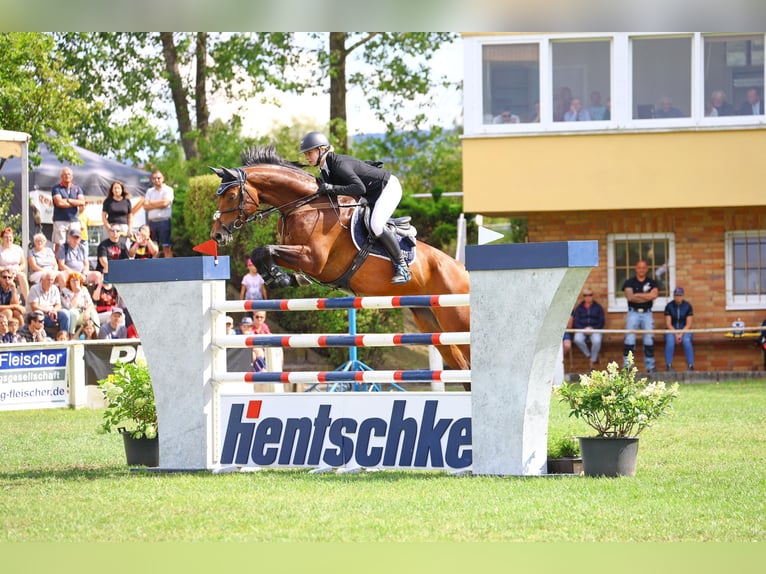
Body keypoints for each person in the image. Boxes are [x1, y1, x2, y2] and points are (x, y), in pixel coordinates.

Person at [299, 131, 411, 284]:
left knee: (376, 225)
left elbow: (359, 188)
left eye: (309, 153)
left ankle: (402, 267)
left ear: (322, 149)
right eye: (305, 154)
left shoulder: (338, 164)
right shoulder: (325, 169)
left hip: (387, 187)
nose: (306, 157)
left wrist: (331, 187)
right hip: (372, 193)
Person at [622, 260, 659, 373]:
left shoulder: (652, 282)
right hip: (633, 313)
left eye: (643, 267)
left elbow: (654, 295)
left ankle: (650, 367)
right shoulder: (629, 282)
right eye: (639, 267)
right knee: (629, 339)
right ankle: (628, 366)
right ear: (636, 269)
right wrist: (647, 296)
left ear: (647, 269)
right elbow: (630, 297)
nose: (641, 270)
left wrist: (637, 294)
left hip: (647, 313)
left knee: (649, 339)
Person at [50, 167, 85, 257]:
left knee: (75, 242)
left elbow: (82, 202)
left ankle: (73, 262)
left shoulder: (77, 189)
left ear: (72, 176)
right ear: (61, 176)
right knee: (59, 244)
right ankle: (57, 265)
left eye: (69, 174)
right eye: (65, 174)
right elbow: (59, 203)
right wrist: (74, 202)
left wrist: (68, 200)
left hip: (74, 220)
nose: (67, 176)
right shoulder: (56, 188)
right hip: (60, 220)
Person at [570, 286, 606, 369]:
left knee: (597, 340)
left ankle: (592, 360)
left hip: (595, 329)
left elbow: (602, 321)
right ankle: (590, 356)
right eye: (586, 295)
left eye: (590, 295)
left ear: (592, 296)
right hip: (582, 329)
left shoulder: (598, 307)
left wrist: (593, 328)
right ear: (584, 297)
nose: (588, 297)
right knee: (577, 339)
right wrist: (583, 329)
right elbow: (576, 321)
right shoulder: (579, 308)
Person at [143, 170, 174, 258]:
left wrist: (151, 203)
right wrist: (159, 203)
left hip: (164, 222)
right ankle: (154, 268)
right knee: (153, 248)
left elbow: (165, 203)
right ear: (152, 180)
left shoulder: (168, 190)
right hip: (152, 222)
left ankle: (169, 268)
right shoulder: (149, 191)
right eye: (154, 178)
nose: (156, 180)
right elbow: (145, 206)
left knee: (166, 247)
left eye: (158, 178)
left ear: (163, 178)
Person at [664, 286, 694, 372]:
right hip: (671, 329)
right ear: (673, 296)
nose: (678, 297)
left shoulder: (688, 306)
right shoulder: (669, 306)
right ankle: (668, 365)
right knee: (670, 341)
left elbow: (689, 324)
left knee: (686, 340)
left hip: (685, 329)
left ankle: (690, 365)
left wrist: (680, 334)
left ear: (683, 296)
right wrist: (675, 334)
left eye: (680, 295)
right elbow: (668, 323)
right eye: (676, 295)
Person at [61, 272, 99, 337]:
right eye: (73, 280)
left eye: (77, 280)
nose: (76, 282)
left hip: (83, 313)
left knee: (93, 312)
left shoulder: (84, 289)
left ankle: (97, 334)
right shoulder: (64, 291)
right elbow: (70, 306)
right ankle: (71, 335)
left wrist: (87, 311)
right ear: (69, 282)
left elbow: (90, 304)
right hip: (72, 315)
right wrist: (76, 293)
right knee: (73, 312)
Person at [0, 226, 29, 302]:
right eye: (6, 237)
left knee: (22, 275)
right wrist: (6, 271)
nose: (8, 239)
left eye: (10, 237)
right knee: (7, 278)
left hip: (16, 272)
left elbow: (23, 264)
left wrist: (16, 271)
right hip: (3, 273)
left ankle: (28, 301)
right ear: (2, 238)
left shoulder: (18, 249)